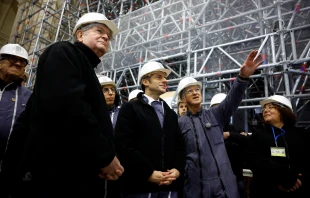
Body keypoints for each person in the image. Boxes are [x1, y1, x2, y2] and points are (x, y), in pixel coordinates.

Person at [2, 12, 124, 198]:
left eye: (109, 35)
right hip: (56, 179)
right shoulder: (63, 52)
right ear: (80, 35)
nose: (106, 36)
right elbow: (70, 108)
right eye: (99, 30)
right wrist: (104, 156)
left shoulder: (84, 69)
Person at [177, 50, 263, 198]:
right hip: (196, 188)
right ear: (183, 99)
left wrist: (242, 78)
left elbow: (232, 99)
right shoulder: (179, 123)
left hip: (225, 187)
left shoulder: (215, 115)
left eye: (197, 89)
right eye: (190, 91)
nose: (195, 92)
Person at [115, 61, 185, 198]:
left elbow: (179, 145)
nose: (165, 80)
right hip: (140, 187)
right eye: (159, 77)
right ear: (146, 82)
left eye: (165, 77)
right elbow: (123, 145)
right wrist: (147, 173)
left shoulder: (170, 113)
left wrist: (177, 169)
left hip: (169, 186)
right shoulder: (130, 108)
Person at [247, 95, 309, 198]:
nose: (265, 110)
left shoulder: (301, 134)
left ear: (284, 110)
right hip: (265, 190)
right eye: (264, 108)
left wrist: (298, 180)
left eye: (271, 107)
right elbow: (254, 160)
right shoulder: (258, 135)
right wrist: (283, 177)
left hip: (297, 189)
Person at [210, 93, 248, 198]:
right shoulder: (208, 129)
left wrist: (229, 135)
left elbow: (247, 141)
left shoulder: (233, 128)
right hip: (215, 179)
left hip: (236, 177)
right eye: (217, 108)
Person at [0, 43, 32, 165]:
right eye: (12, 58)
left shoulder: (29, 96)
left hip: (9, 167)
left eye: (23, 62)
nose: (18, 64)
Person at [98, 75, 122, 198]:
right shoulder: (91, 114)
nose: (111, 93)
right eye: (105, 90)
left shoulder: (122, 113)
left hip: (119, 169)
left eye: (113, 90)